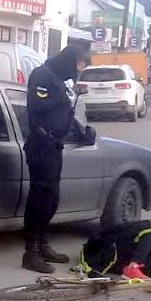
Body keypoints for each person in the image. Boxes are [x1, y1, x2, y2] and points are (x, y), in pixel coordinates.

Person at [22, 44, 89, 273]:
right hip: (41, 145)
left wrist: (80, 129)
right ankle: (30, 253)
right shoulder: (42, 75)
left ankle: (43, 244)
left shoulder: (60, 81)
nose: (79, 69)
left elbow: (63, 114)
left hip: (54, 146)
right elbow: (39, 104)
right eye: (79, 64)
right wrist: (64, 98)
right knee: (39, 199)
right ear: (69, 60)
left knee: (52, 199)